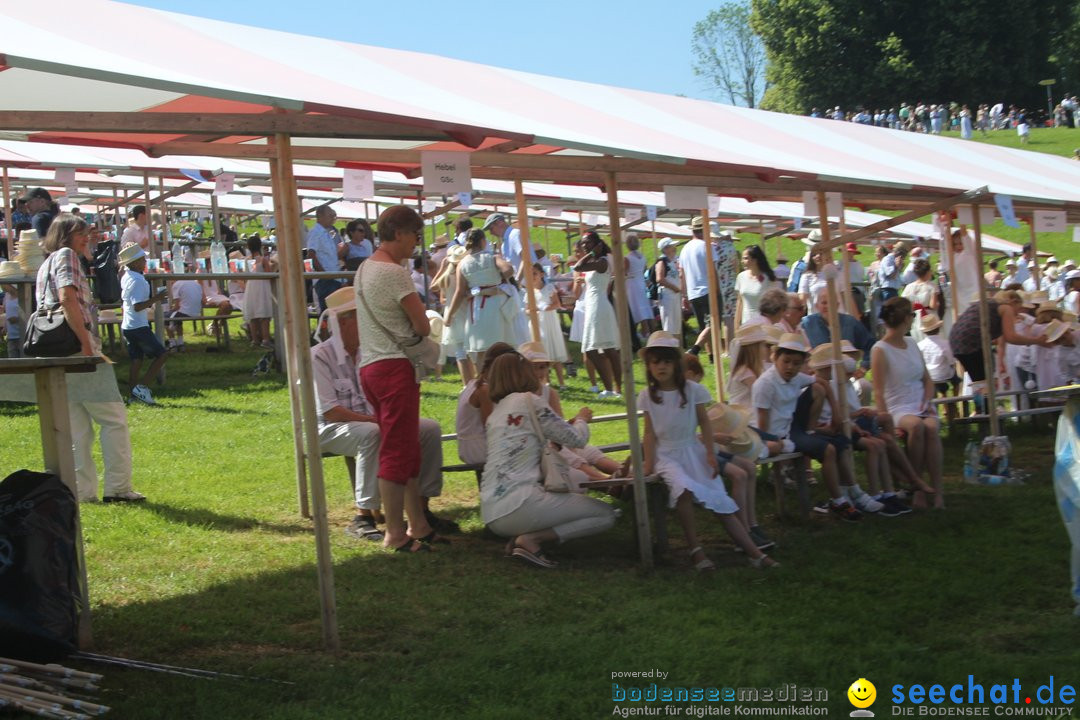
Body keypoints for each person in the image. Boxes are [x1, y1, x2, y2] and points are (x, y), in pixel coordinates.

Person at [313, 286, 452, 542]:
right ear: (343, 322)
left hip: (369, 422)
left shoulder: (370, 351)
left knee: (428, 428)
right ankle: (363, 515)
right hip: (327, 429)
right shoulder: (318, 357)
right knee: (374, 433)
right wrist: (378, 420)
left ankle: (422, 508)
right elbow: (331, 411)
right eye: (361, 318)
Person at [638, 332, 777, 571]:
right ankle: (695, 550)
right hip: (667, 456)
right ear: (649, 366)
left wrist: (711, 454)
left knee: (720, 501)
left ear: (676, 364)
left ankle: (753, 553)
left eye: (666, 361)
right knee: (682, 491)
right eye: (655, 362)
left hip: (693, 449)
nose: (661, 367)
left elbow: (705, 423)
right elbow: (649, 433)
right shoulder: (647, 396)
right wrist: (649, 465)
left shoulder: (692, 391)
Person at [33, 213, 144, 503]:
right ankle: (118, 488)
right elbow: (68, 297)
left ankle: (82, 492)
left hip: (56, 353)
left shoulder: (45, 263)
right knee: (113, 419)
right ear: (66, 236)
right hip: (77, 348)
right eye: (82, 233)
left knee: (77, 428)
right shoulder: (67, 255)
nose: (88, 238)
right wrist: (86, 344)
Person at [481, 352, 616, 568]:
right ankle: (531, 540)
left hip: (490, 512)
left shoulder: (495, 415)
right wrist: (582, 419)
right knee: (606, 515)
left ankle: (519, 537)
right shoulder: (529, 401)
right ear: (523, 373)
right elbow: (577, 439)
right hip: (521, 503)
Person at [354, 205, 437, 553]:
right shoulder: (395, 272)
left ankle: (417, 523)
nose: (416, 243)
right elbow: (422, 325)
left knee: (404, 443)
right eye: (415, 235)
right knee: (397, 449)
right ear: (399, 232)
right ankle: (395, 532)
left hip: (371, 366)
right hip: (394, 366)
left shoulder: (364, 267)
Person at [752, 333, 863, 521]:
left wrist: (836, 413)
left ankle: (852, 490)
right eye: (786, 361)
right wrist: (769, 441)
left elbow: (820, 383)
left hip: (794, 426)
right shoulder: (765, 384)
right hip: (779, 434)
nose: (790, 367)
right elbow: (762, 417)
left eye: (796, 363)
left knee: (839, 439)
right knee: (827, 449)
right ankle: (838, 500)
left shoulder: (796, 377)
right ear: (775, 358)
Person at [872, 297, 944, 509]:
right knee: (916, 425)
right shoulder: (880, 350)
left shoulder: (912, 343)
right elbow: (878, 391)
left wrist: (927, 400)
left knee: (930, 426)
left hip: (919, 401)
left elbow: (927, 380)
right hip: (897, 405)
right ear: (905, 318)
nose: (914, 318)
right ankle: (917, 487)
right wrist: (885, 422)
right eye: (912, 314)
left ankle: (938, 491)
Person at [949, 289, 1050, 405]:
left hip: (956, 340)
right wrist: (1036, 341)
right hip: (972, 340)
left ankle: (981, 408)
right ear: (1013, 302)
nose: (1017, 314)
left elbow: (1001, 337)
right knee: (985, 379)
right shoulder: (1006, 308)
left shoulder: (988, 304)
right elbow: (1011, 337)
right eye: (1018, 308)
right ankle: (987, 410)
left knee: (979, 379)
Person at [444, 228, 516, 367]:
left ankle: (484, 379)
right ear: (483, 241)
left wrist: (449, 315)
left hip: (477, 306)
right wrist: (497, 280)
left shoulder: (462, 264)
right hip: (496, 303)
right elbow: (509, 270)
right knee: (501, 344)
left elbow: (460, 292)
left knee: (482, 348)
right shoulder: (493, 257)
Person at [118, 243, 171, 405]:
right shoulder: (139, 281)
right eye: (142, 259)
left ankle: (133, 394)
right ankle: (142, 389)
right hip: (138, 326)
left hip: (128, 325)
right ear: (134, 263)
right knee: (162, 354)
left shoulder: (127, 276)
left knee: (137, 360)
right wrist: (157, 298)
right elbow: (138, 305)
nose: (145, 261)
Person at [573, 231, 622, 399]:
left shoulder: (602, 261)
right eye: (584, 244)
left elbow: (577, 267)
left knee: (601, 350)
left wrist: (591, 253)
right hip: (594, 305)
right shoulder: (598, 260)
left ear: (597, 243)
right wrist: (591, 253)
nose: (585, 246)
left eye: (588, 243)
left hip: (598, 305)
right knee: (602, 349)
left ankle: (614, 388)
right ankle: (612, 388)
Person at [430, 245, 475, 384]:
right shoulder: (467, 275)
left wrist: (442, 268)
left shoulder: (447, 276)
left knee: (460, 352)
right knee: (471, 351)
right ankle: (472, 382)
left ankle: (467, 383)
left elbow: (433, 286)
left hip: (453, 315)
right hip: (467, 313)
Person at [801, 293, 875, 369]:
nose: (828, 306)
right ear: (817, 306)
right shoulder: (807, 324)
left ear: (837, 305)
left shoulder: (850, 322)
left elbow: (871, 346)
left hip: (846, 373)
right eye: (824, 303)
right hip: (817, 375)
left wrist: (863, 367)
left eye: (831, 302)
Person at [531, 263, 568, 388]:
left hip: (549, 321)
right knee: (542, 352)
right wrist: (531, 311)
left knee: (554, 351)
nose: (532, 276)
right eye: (530, 274)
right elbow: (526, 308)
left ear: (541, 274)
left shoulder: (549, 288)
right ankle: (546, 382)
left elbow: (557, 304)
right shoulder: (530, 291)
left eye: (535, 273)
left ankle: (561, 382)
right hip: (537, 323)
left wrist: (546, 308)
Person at [306, 205, 344, 311]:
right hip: (326, 280)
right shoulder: (315, 232)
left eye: (334, 215)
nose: (333, 218)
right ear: (320, 216)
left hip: (333, 278)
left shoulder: (326, 233)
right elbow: (311, 255)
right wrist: (324, 275)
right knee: (328, 314)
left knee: (335, 314)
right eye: (330, 215)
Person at [734, 244, 781, 325]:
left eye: (745, 258)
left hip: (764, 324)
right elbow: (740, 301)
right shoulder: (741, 277)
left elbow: (776, 304)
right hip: (746, 324)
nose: (742, 261)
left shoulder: (769, 279)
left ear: (754, 260)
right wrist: (736, 324)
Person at [726, 323, 770, 409]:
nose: (766, 349)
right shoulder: (746, 373)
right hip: (746, 418)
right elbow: (762, 395)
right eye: (764, 345)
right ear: (755, 349)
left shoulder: (747, 370)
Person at [243, 233, 275, 349]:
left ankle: (255, 339)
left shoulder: (247, 260)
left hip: (251, 286)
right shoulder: (263, 260)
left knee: (253, 314)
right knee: (264, 314)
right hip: (261, 286)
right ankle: (265, 339)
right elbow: (268, 274)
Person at [482, 212, 535, 279]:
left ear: (500, 222)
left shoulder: (515, 235)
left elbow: (526, 258)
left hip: (528, 283)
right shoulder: (505, 243)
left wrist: (517, 280)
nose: (491, 233)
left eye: (491, 228)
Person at [623, 233, 654, 337]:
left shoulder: (627, 258)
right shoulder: (642, 256)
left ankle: (645, 332)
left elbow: (624, 272)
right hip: (641, 282)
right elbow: (645, 269)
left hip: (632, 284)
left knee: (637, 309)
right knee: (644, 308)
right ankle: (650, 331)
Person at [901, 258, 938, 342]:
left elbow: (904, 303)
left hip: (914, 318)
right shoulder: (932, 286)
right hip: (928, 318)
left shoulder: (909, 287)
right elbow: (933, 305)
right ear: (928, 271)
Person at [654, 238, 682, 337]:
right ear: (665, 249)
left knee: (677, 324)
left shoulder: (675, 260)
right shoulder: (661, 261)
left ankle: (677, 347)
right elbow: (659, 279)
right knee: (669, 324)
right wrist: (674, 287)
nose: (674, 248)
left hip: (676, 295)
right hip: (667, 295)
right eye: (671, 246)